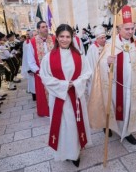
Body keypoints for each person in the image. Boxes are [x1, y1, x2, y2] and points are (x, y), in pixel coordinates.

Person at [87, 5, 136, 145]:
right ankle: (109, 126)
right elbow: (100, 65)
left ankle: (127, 131)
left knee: (130, 107)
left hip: (132, 85)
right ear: (119, 28)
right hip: (116, 85)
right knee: (113, 107)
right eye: (127, 29)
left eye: (133, 28)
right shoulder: (111, 44)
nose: (130, 31)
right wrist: (107, 62)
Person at [40, 24, 92, 167]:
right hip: (59, 98)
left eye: (67, 36)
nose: (64, 39)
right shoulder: (49, 57)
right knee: (63, 126)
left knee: (75, 125)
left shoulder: (80, 55)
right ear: (56, 37)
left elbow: (87, 73)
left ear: (72, 37)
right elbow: (45, 77)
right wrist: (63, 85)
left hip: (75, 96)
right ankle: (65, 151)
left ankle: (75, 152)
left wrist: (75, 83)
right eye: (61, 36)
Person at [27, 21, 55, 117]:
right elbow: (30, 60)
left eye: (46, 26)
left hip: (54, 71)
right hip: (40, 72)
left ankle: (57, 109)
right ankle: (46, 111)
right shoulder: (33, 42)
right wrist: (38, 71)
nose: (46, 28)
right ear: (38, 29)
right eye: (43, 27)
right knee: (43, 92)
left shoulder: (54, 39)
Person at [86, 25, 107, 94]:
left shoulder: (107, 46)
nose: (104, 39)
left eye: (105, 37)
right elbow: (89, 64)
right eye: (102, 38)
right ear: (97, 39)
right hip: (96, 75)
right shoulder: (92, 49)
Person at [21, 31, 36, 101]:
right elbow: (26, 57)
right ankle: (34, 96)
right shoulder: (27, 43)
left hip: (35, 65)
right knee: (32, 81)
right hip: (30, 65)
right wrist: (29, 68)